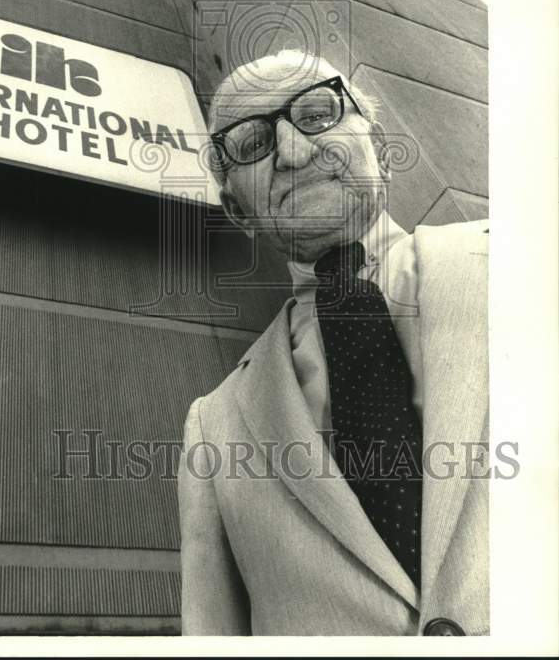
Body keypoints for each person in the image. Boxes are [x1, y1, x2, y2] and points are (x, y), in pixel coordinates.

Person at [178, 49, 488, 636]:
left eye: (318, 114)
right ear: (237, 209)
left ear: (376, 145)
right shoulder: (210, 427)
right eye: (251, 144)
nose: (294, 152)